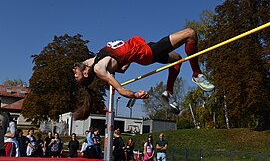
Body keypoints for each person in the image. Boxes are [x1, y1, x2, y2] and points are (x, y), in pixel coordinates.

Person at [73, 28, 215, 119]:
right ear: (86, 73)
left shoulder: (93, 60)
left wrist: (129, 58)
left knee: (177, 60)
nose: (74, 70)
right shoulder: (98, 68)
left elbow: (121, 69)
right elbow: (121, 89)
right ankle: (197, 75)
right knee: (190, 34)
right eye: (76, 75)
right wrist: (135, 95)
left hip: (144, 49)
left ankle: (169, 93)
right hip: (147, 52)